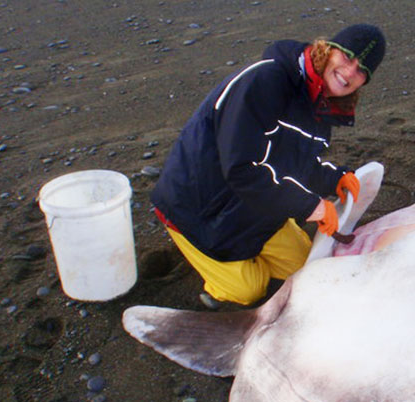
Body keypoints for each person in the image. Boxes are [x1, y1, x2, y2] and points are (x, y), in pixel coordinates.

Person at [150, 24, 386, 310]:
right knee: (249, 289)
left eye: (362, 71)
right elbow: (241, 168)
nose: (349, 73)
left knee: (305, 266)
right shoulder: (266, 80)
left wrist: (333, 179)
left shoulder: (322, 105)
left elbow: (296, 162)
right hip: (199, 209)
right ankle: (217, 282)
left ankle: (242, 257)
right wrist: (311, 207)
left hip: (253, 207)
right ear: (329, 49)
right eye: (348, 58)